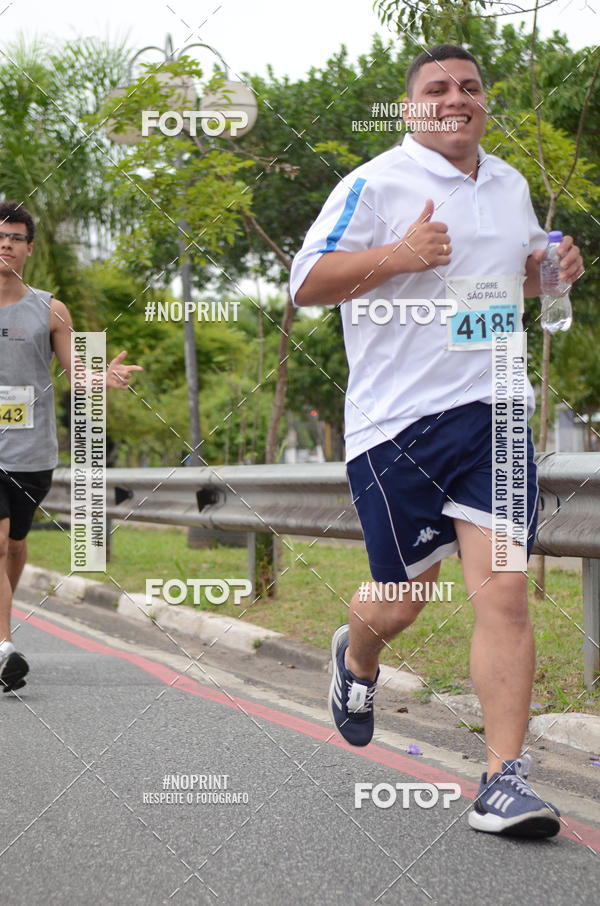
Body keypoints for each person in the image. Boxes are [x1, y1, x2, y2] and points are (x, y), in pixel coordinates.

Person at [290, 45, 584, 838]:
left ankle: (504, 780)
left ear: (485, 102)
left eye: (470, 87)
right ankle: (356, 659)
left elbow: (500, 280)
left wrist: (551, 271)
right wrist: (398, 256)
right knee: (402, 600)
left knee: (507, 591)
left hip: (495, 408)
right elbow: (305, 282)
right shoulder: (376, 182)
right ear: (412, 106)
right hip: (397, 425)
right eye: (437, 89)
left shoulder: (511, 183)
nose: (457, 98)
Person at [0, 201, 143, 693]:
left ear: (29, 249)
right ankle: (3, 648)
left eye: (15, 237)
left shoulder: (49, 308)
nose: (5, 243)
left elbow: (76, 372)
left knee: (15, 544)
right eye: (0, 235)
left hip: (32, 452)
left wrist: (105, 377)